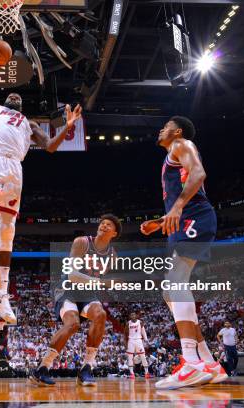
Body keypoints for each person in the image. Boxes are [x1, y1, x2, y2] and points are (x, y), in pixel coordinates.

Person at [0, 63, 83, 325]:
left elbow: (51, 147)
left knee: (8, 230)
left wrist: (68, 125)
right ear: (6, 99)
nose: (15, 96)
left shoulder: (29, 125)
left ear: (22, 104)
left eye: (19, 96)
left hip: (15, 170)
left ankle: (1, 294)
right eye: (11, 95)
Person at [140, 116, 227, 389]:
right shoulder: (172, 156)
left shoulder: (181, 143)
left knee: (176, 281)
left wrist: (176, 209)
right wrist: (162, 220)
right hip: (185, 218)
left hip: (194, 216)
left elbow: (199, 174)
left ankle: (191, 363)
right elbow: (186, 188)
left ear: (176, 131)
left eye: (165, 125)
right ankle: (209, 362)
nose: (160, 129)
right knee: (169, 289)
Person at [30, 215, 120, 387]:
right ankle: (42, 368)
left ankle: (86, 367)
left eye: (109, 225)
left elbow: (99, 279)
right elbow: (72, 274)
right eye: (102, 223)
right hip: (68, 289)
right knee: (73, 324)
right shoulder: (82, 242)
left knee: (100, 315)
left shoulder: (112, 254)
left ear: (114, 233)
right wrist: (101, 283)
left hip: (88, 293)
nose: (104, 226)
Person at [125, 312, 151, 379]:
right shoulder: (128, 323)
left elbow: (143, 331)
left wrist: (146, 339)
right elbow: (125, 334)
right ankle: (132, 373)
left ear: (136, 316)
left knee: (143, 356)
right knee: (130, 357)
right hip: (131, 341)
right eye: (131, 315)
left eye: (134, 314)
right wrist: (125, 344)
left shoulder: (140, 322)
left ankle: (146, 372)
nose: (132, 315)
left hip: (139, 340)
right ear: (130, 316)